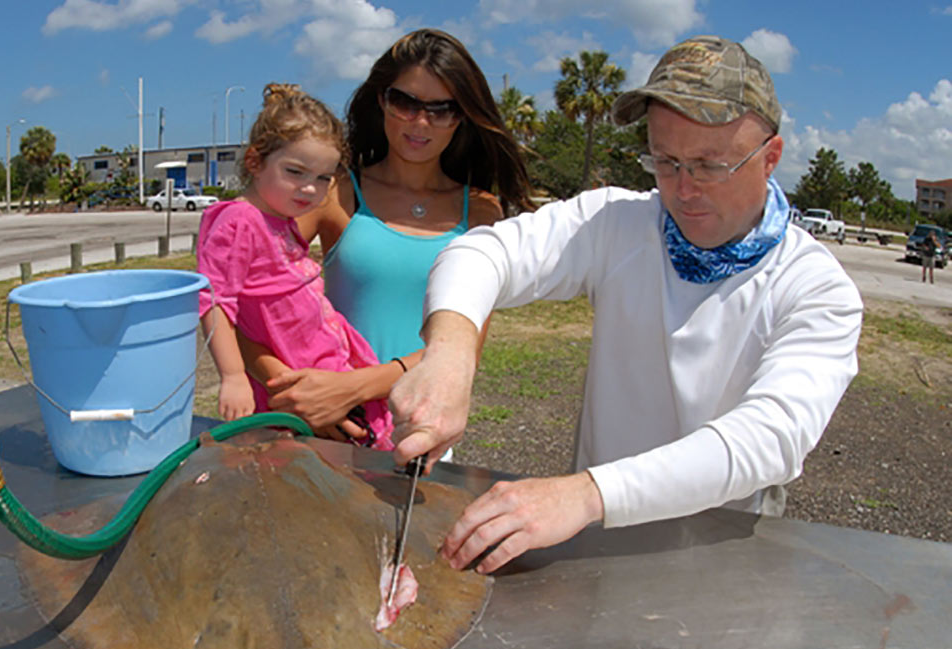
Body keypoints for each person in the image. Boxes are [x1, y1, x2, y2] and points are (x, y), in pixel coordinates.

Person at [390, 36, 864, 574]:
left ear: (770, 157)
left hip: (720, 553)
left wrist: (588, 494)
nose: (682, 189)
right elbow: (481, 252)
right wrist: (451, 355)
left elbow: (770, 437)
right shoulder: (619, 223)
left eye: (709, 165)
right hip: (594, 545)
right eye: (664, 161)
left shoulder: (816, 287)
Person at [238, 29, 533, 443]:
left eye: (442, 109)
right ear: (382, 100)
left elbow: (465, 348)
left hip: (420, 432)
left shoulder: (481, 211)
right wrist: (299, 395)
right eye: (405, 102)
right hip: (325, 429)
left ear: (462, 116)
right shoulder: (334, 194)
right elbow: (242, 304)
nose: (420, 121)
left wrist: (350, 389)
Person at [197, 84, 393, 448]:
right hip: (295, 379)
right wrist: (233, 374)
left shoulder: (283, 218)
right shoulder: (239, 220)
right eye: (295, 172)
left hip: (327, 367)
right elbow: (213, 300)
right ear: (255, 162)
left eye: (322, 178)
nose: (309, 189)